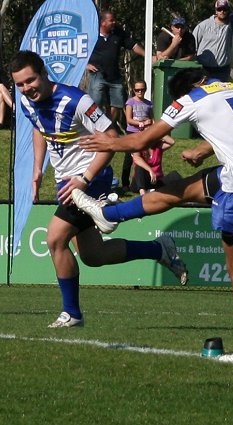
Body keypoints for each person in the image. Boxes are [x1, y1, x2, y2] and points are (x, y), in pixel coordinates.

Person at [72, 67, 233, 363]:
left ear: (184, 90)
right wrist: (201, 152)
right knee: (179, 190)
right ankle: (109, 214)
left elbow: (142, 140)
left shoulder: (190, 100)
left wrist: (111, 143)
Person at [10, 50, 187, 328]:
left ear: (44, 73)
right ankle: (157, 250)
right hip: (66, 181)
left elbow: (112, 139)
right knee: (94, 256)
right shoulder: (25, 101)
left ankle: (72, 314)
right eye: (20, 84)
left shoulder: (76, 100)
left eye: (30, 81)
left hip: (91, 178)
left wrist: (84, 178)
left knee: (55, 239)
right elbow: (38, 129)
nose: (26, 88)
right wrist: (37, 170)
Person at [87, 10, 145, 126]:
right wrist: (86, 65)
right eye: (111, 20)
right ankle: (94, 128)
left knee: (117, 104)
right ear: (103, 22)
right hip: (97, 74)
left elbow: (133, 46)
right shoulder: (91, 34)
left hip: (114, 76)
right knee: (95, 102)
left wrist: (148, 56)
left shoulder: (118, 33)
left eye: (114, 20)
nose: (114, 22)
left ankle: (107, 127)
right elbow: (79, 51)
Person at [121, 79, 153, 192]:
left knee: (145, 158)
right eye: (137, 90)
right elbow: (129, 120)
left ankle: (145, 181)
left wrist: (150, 122)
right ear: (134, 90)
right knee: (128, 160)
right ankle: (125, 184)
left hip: (144, 133)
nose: (140, 92)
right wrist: (141, 123)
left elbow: (152, 118)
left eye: (142, 90)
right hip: (132, 133)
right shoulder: (130, 102)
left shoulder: (149, 103)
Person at [192, 0, 233, 81]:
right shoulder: (203, 26)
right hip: (204, 69)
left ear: (228, 10)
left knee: (221, 93)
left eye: (225, 9)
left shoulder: (232, 25)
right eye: (219, 9)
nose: (222, 11)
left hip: (223, 71)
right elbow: (192, 46)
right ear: (216, 10)